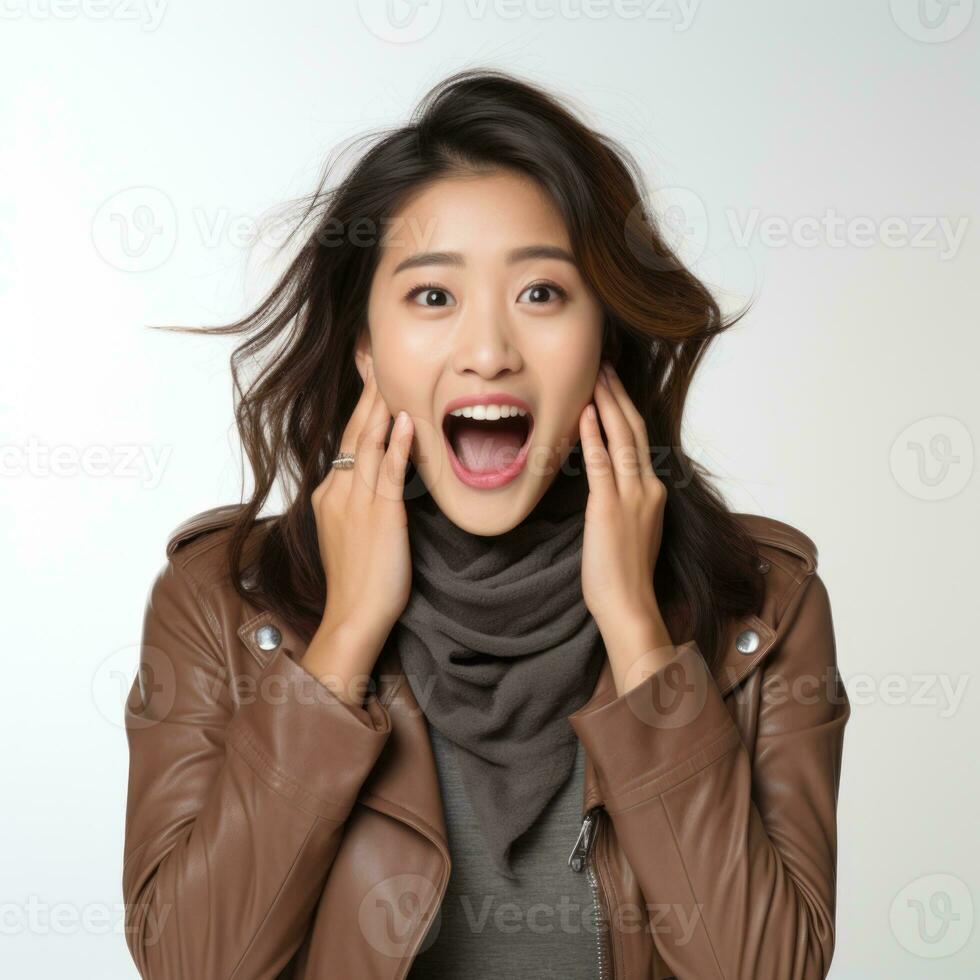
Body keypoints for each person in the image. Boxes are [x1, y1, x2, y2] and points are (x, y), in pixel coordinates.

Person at [122, 68, 850, 979]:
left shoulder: (764, 608)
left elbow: (764, 970)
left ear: (605, 338)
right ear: (366, 351)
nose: (489, 352)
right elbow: (194, 966)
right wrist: (343, 640)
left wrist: (637, 636)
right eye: (433, 297)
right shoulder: (223, 606)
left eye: (541, 294)